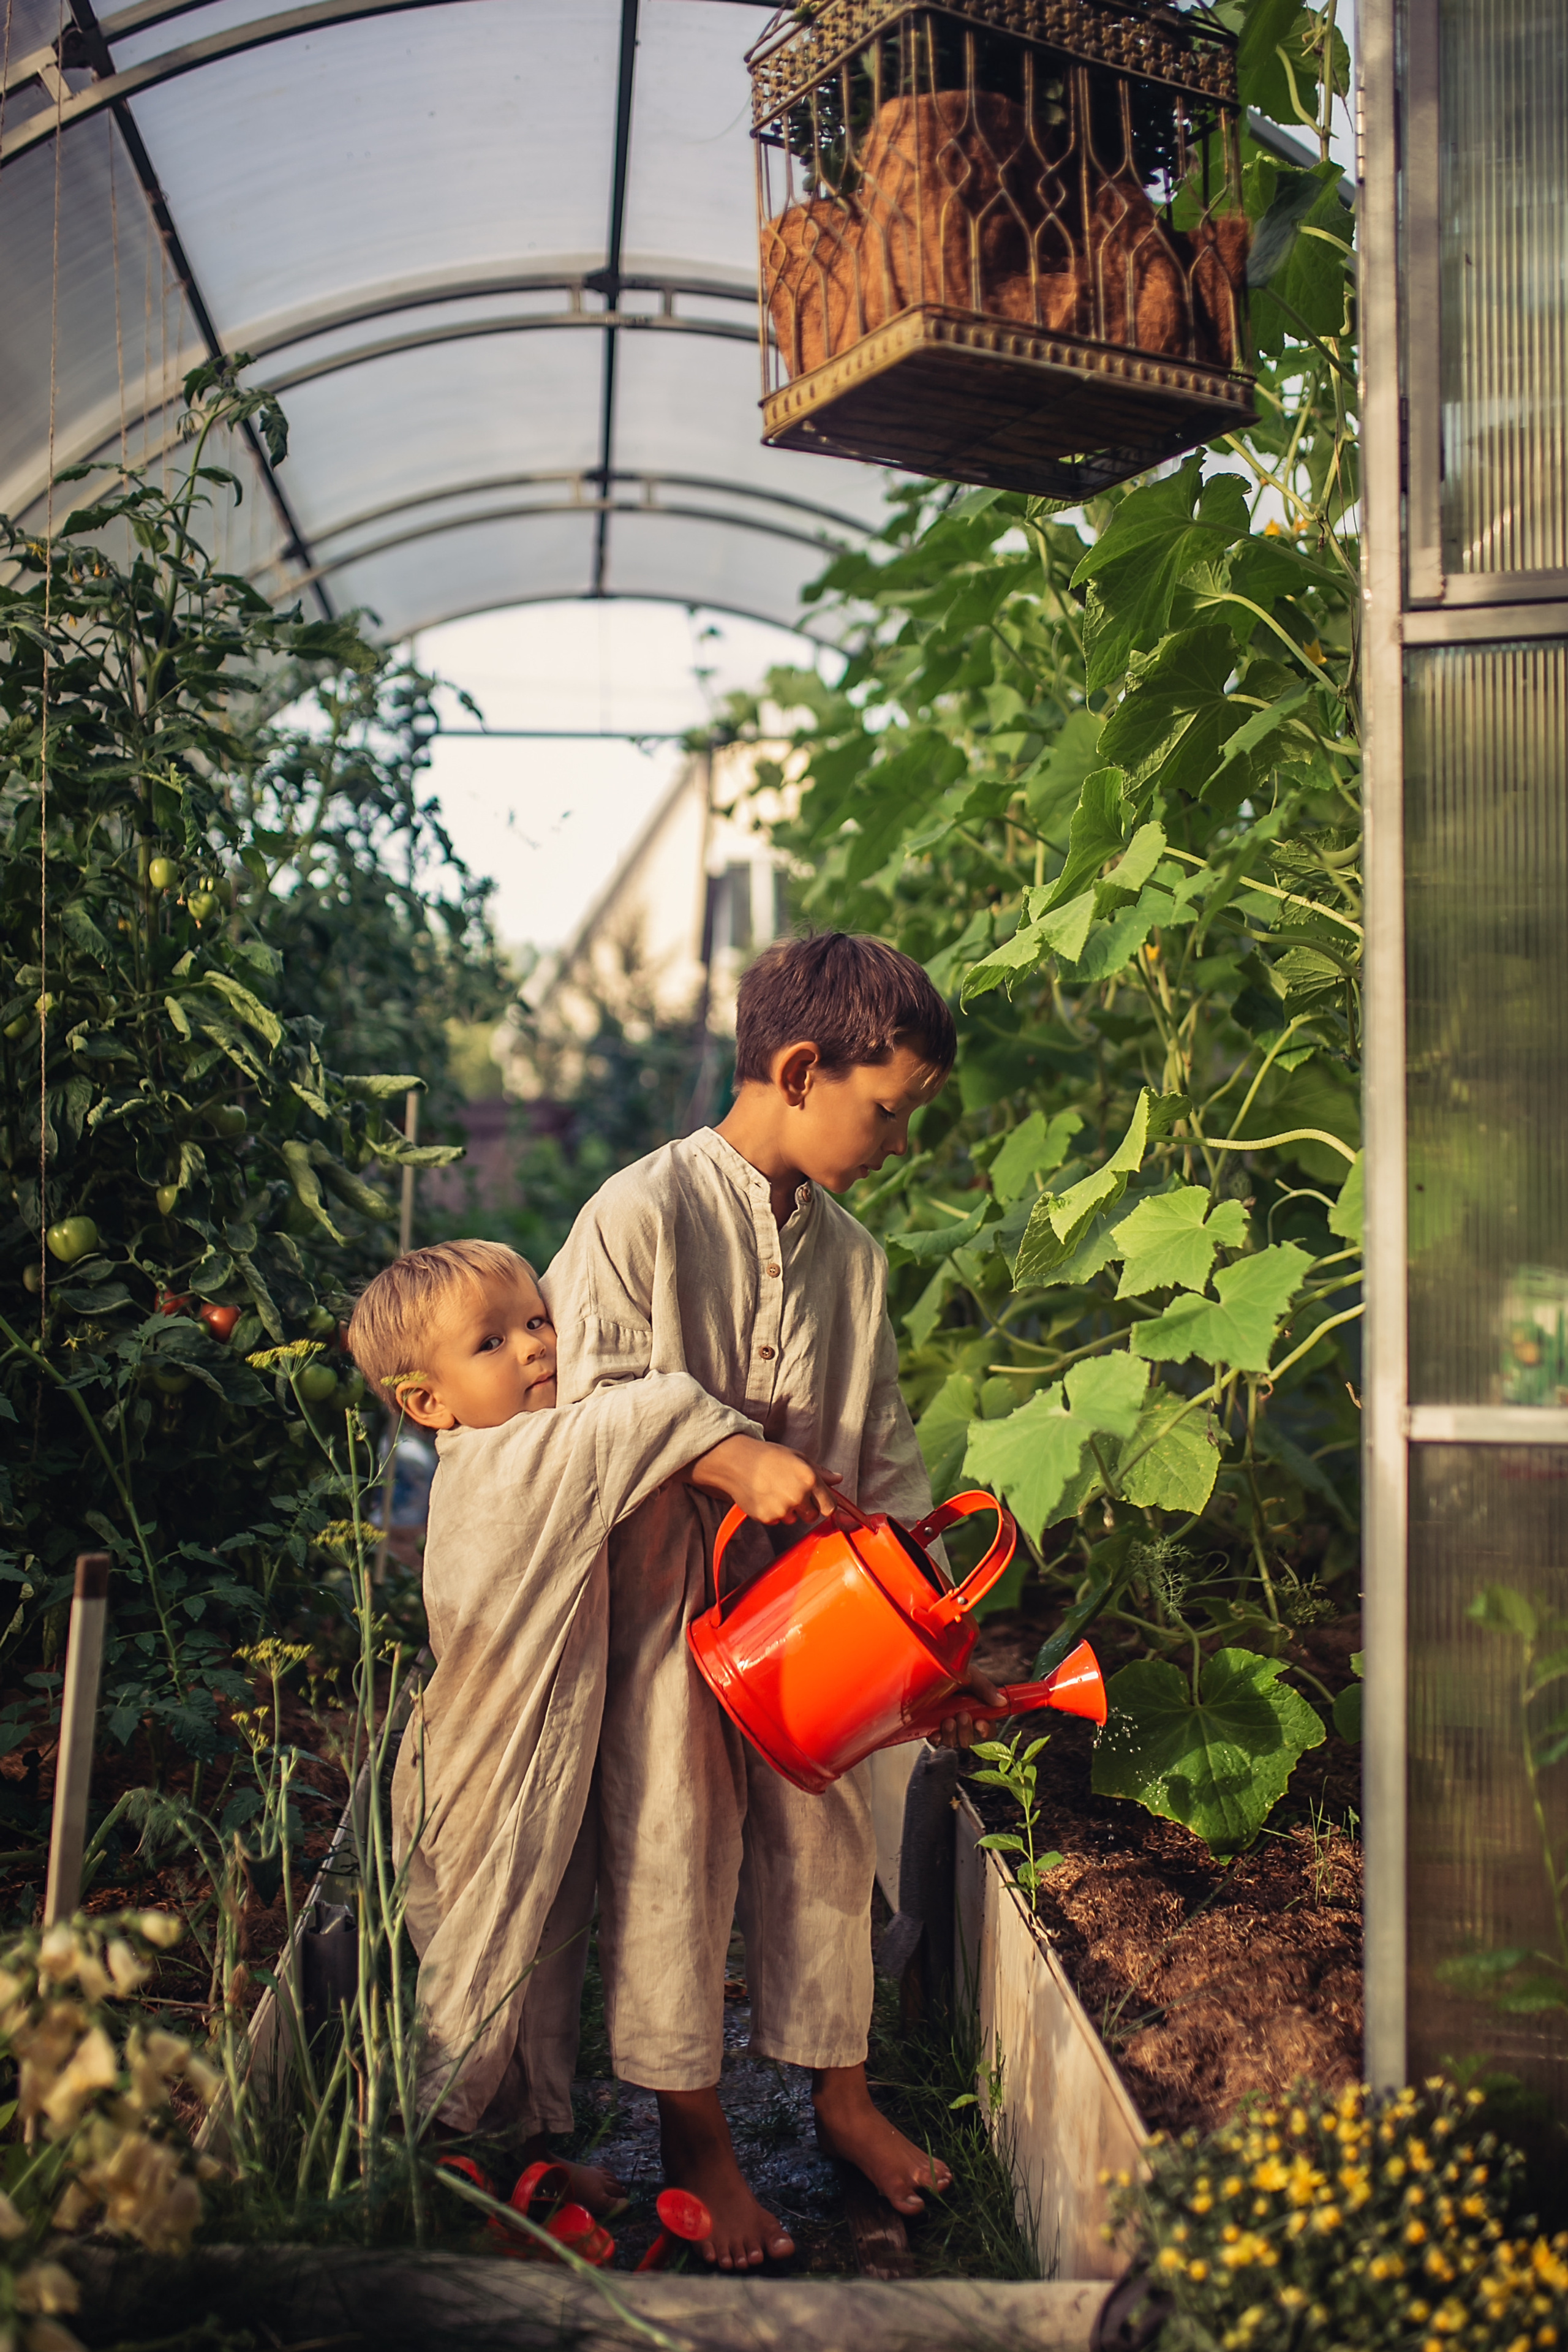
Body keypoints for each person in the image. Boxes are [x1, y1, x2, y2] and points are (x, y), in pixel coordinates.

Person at [545, 931, 1003, 2269]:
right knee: (672, 1848)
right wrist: (721, 1449)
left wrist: (930, 1637)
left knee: (826, 1841)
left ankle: (840, 2101)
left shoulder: (850, 1260)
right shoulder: (636, 1217)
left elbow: (883, 1450)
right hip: (662, 1617)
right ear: (801, 1070)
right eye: (888, 1110)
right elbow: (576, 1416)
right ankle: (696, 2140)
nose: (899, 1142)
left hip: (816, 1623)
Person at [346, 1238, 839, 2207]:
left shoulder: (496, 1454)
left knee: (538, 1961)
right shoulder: (516, 1462)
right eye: (493, 1342)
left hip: (505, 1753)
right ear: (428, 1403)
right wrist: (741, 1451)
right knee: (485, 1964)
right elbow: (645, 1412)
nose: (538, 1346)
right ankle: (418, 2159)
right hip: (490, 1774)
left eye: (537, 1320)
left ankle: (521, 2154)